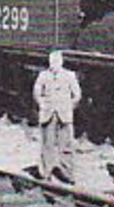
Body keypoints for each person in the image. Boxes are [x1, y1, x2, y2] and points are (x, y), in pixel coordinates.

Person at [33, 49, 82, 184]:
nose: (53, 65)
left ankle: (68, 173)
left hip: (64, 114)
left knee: (66, 145)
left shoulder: (69, 75)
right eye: (51, 62)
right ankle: (45, 172)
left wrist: (69, 107)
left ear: (61, 62)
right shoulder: (43, 75)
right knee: (47, 144)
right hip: (48, 113)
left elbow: (77, 94)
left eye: (56, 62)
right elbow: (37, 91)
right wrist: (41, 103)